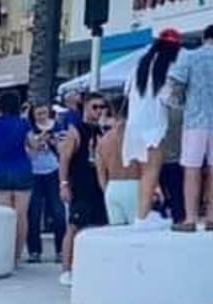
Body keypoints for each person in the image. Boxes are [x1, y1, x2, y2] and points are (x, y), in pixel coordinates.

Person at [168, 24, 213, 232]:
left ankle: (190, 218)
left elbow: (177, 83)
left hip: (195, 120)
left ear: (204, 37)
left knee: (192, 169)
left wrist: (180, 100)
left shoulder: (189, 57)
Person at [123, 29, 182, 225]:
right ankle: (142, 218)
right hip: (154, 128)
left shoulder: (139, 66)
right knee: (152, 173)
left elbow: (126, 91)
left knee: (143, 174)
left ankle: (142, 214)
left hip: (135, 126)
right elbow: (170, 100)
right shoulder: (165, 69)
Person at [59, 93, 110, 287]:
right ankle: (66, 268)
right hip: (80, 185)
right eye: (95, 107)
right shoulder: (76, 131)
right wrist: (63, 184)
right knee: (73, 226)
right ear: (86, 107)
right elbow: (64, 158)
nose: (99, 111)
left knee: (99, 225)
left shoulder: (104, 131)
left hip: (99, 185)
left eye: (102, 107)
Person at [0, 91, 33, 266]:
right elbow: (32, 144)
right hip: (22, 169)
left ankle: (4, 255)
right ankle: (17, 257)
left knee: (5, 215)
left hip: (1, 170)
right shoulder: (23, 124)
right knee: (21, 215)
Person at [26, 102, 67, 263]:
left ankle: (61, 249)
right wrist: (37, 141)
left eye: (44, 113)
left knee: (58, 211)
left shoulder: (57, 126)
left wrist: (54, 142)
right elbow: (30, 152)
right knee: (34, 213)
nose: (42, 117)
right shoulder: (29, 129)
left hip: (53, 171)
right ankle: (34, 250)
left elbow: (63, 149)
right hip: (34, 173)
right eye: (38, 114)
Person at [97, 95, 142, 226]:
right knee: (136, 232)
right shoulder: (137, 134)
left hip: (113, 186)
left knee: (117, 232)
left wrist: (107, 191)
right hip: (134, 183)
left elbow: (100, 173)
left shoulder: (104, 139)